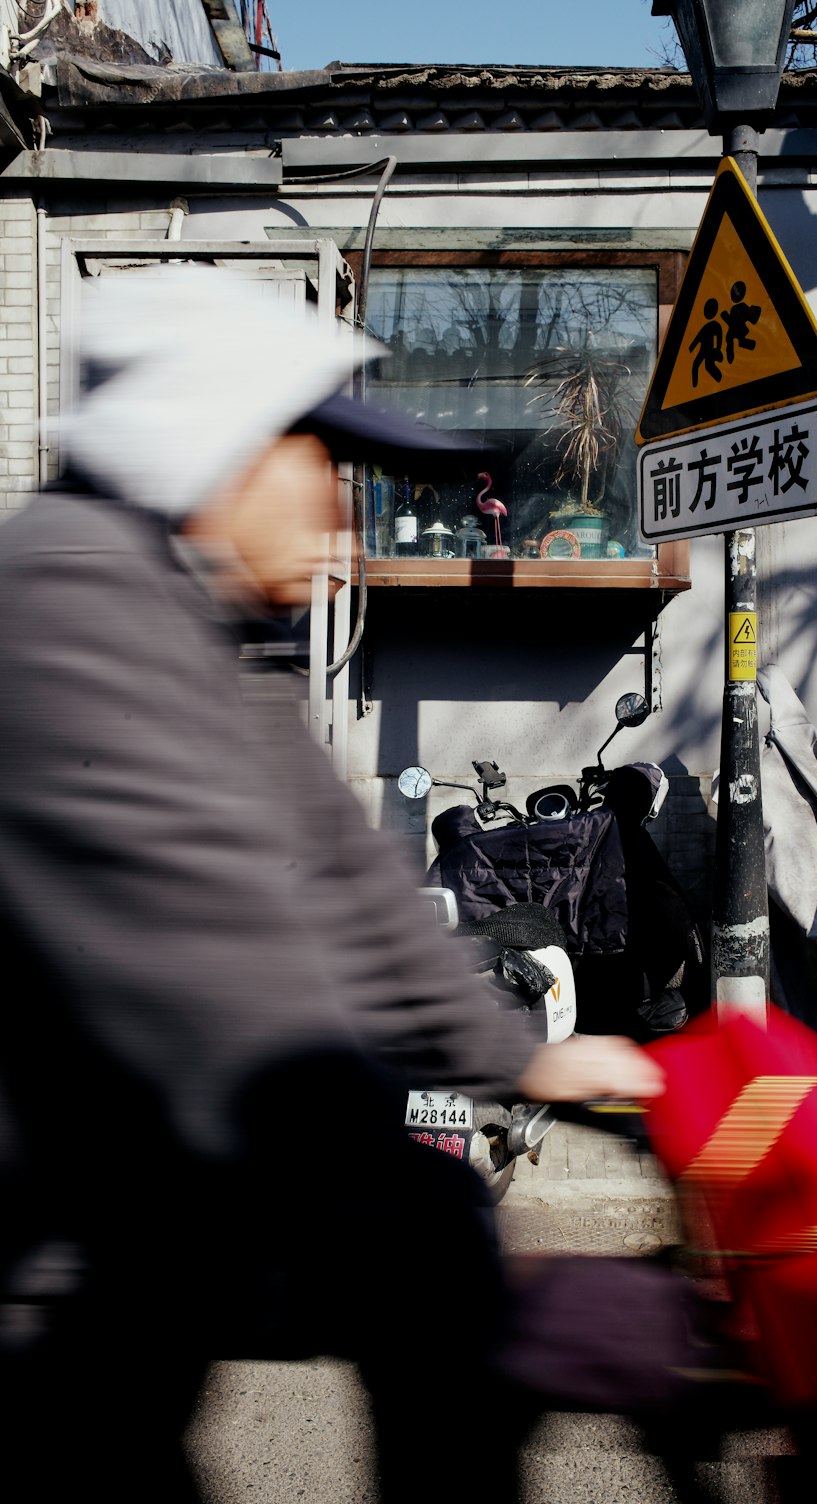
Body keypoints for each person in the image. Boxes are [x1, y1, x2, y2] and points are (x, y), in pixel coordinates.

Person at [0, 270, 665, 1503]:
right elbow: (223, 974)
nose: (341, 522)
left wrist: (520, 1055)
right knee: (421, 1236)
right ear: (217, 445)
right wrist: (411, 1189)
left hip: (137, 1220)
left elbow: (356, 889)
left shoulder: (185, 618)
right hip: (63, 1246)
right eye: (320, 469)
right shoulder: (67, 602)